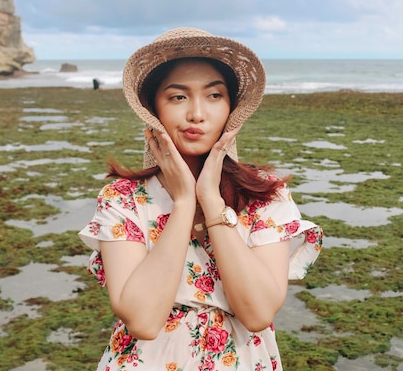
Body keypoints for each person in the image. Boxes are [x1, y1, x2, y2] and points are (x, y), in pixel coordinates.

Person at [78, 27, 323, 371]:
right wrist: (181, 206)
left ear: (231, 109)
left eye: (214, 96)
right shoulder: (123, 199)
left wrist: (210, 200)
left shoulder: (266, 196)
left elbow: (257, 313)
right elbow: (143, 321)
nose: (196, 114)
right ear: (153, 110)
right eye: (178, 97)